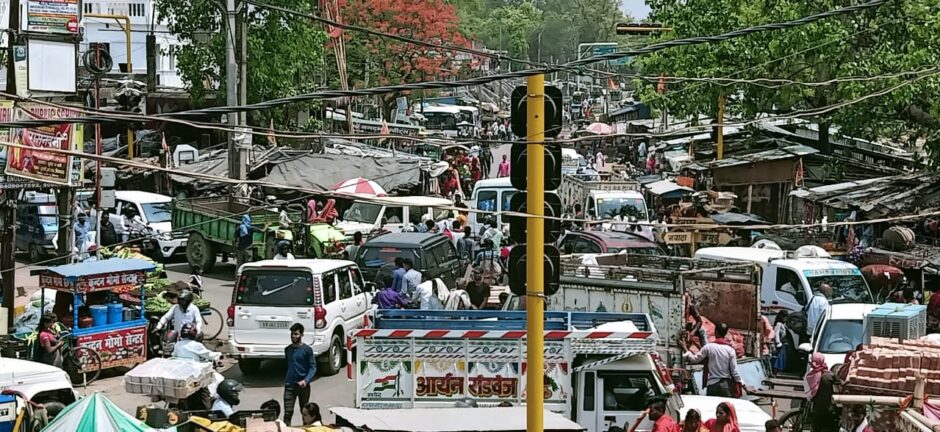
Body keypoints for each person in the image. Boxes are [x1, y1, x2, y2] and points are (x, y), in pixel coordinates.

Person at [680, 323, 742, 397]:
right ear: (725, 333)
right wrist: (742, 384)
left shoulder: (708, 347)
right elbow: (734, 372)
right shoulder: (730, 350)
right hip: (725, 386)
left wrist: (684, 347)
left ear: (715, 332)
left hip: (712, 385)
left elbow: (694, 359)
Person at [284, 323, 316, 425]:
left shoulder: (307, 350)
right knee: (288, 413)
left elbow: (313, 367)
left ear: (302, 335)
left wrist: (306, 380)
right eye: (292, 334)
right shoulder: (288, 350)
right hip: (289, 386)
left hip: (303, 387)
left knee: (305, 413)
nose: (293, 336)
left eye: (296, 334)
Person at [806, 352, 838, 432]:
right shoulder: (828, 375)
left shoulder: (814, 375)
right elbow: (841, 382)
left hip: (820, 409)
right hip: (827, 408)